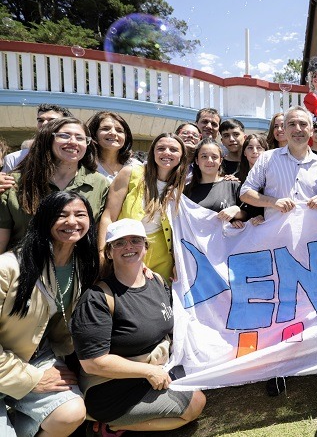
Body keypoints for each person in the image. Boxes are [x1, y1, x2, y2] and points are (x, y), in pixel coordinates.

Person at [71, 219, 206, 435]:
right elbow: (93, 363)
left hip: (153, 371)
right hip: (111, 387)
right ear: (108, 252)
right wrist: (148, 371)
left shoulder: (157, 281)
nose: (129, 247)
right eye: (120, 243)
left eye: (135, 241)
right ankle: (112, 426)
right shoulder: (97, 299)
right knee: (195, 404)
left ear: (145, 247)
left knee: (200, 387)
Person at [0, 191, 100, 437]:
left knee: (71, 412)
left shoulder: (83, 264)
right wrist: (31, 379)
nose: (72, 222)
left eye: (80, 214)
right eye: (61, 215)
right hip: (7, 363)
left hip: (36, 355)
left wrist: (141, 266)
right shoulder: (8, 267)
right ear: (44, 220)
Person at [0, 117, 109, 253]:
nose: (73, 142)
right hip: (22, 268)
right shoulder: (15, 182)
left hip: (77, 270)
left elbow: (98, 235)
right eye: (64, 136)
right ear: (47, 139)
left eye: (80, 138)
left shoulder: (100, 183)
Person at [99, 133, 188, 282]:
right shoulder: (131, 172)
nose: (166, 152)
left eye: (173, 149)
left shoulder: (182, 185)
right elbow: (108, 216)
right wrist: (102, 253)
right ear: (153, 151)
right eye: (161, 148)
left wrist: (179, 262)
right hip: (126, 251)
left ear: (181, 156)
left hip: (163, 260)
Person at [240, 106, 317, 220]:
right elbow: (245, 193)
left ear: (311, 131)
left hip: (310, 235)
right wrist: (272, 202)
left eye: (303, 124)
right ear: (285, 130)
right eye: (292, 124)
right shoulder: (267, 158)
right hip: (275, 234)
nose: (298, 129)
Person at [184, 138, 246, 227]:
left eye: (214, 157)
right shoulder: (186, 191)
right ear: (197, 161)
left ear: (220, 161)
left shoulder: (234, 185)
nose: (209, 160)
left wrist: (237, 212)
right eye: (204, 156)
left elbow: (251, 215)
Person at [2, 103, 73, 173]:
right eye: (40, 120)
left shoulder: (75, 156)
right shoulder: (14, 159)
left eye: (52, 120)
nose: (44, 123)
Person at [87, 111, 141, 182]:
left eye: (119, 130)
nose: (113, 133)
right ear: (94, 135)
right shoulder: (85, 165)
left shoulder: (136, 166)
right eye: (105, 129)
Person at [234, 133, 268, 225]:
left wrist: (263, 216)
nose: (255, 151)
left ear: (266, 151)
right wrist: (234, 220)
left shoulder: (273, 176)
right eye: (250, 148)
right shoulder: (235, 178)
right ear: (244, 152)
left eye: (259, 147)